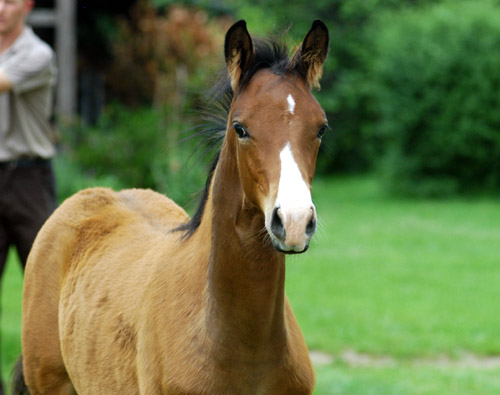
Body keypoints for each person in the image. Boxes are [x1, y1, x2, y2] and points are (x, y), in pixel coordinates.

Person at [0, 0, 57, 392]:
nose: (1, 8)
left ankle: (48, 380)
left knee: (48, 288)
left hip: (28, 181)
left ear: (28, 6)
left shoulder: (37, 54)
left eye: (10, 1)